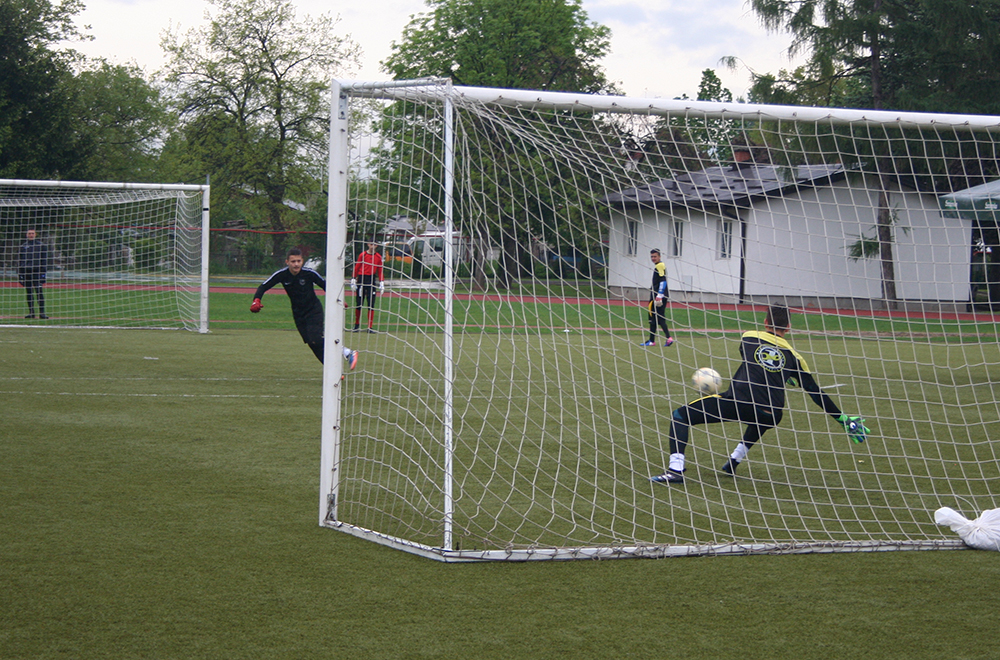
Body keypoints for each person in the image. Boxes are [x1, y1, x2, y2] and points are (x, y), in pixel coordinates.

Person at [650, 304, 869, 484]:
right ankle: (733, 461)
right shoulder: (795, 357)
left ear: (765, 322)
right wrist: (842, 419)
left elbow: (750, 360)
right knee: (762, 416)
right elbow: (815, 392)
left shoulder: (749, 337)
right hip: (772, 414)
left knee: (680, 415)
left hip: (738, 403)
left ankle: (675, 470)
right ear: (789, 327)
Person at [250, 248, 357, 369]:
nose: (296, 264)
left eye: (299, 261)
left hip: (313, 310)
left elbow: (325, 285)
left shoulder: (309, 273)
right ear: (287, 262)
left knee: (315, 338)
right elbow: (263, 286)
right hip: (298, 314)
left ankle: (347, 352)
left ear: (302, 261)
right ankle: (332, 370)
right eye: (293, 261)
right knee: (312, 343)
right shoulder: (282, 275)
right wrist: (256, 300)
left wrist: (340, 300)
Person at [641, 248, 673, 347]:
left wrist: (659, 294)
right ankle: (652, 340)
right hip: (658, 295)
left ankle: (668, 338)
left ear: (659, 256)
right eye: (652, 256)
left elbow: (663, 281)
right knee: (654, 318)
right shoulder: (659, 266)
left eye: (655, 256)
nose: (653, 258)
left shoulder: (660, 265)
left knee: (657, 317)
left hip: (658, 297)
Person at [350, 240, 384, 332]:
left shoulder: (378, 257)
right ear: (368, 245)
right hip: (362, 279)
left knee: (371, 304)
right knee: (359, 303)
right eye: (371, 244)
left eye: (374, 244)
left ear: (376, 246)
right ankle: (356, 325)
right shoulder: (363, 255)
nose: (372, 246)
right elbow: (357, 267)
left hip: (371, 280)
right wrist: (353, 278)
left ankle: (370, 327)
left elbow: (380, 270)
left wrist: (381, 282)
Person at [18, 228, 49, 319]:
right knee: (29, 292)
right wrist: (20, 274)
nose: (31, 235)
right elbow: (20, 260)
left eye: (32, 233)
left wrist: (43, 274)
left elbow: (44, 260)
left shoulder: (41, 246)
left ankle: (42, 313)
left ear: (35, 234)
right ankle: (31, 312)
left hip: (37, 272)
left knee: (39, 292)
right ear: (26, 235)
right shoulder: (23, 246)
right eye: (29, 233)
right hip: (26, 272)